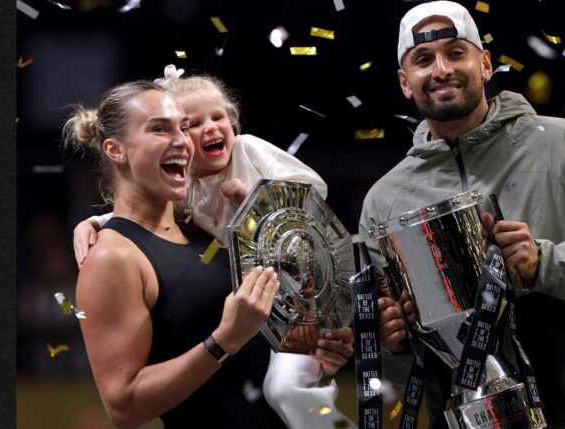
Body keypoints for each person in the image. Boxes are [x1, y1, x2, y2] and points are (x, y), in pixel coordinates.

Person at [358, 1, 565, 428]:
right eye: (423, 60)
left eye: (456, 53)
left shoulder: (563, 147)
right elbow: (404, 368)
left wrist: (545, 263)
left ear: (485, 64)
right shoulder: (385, 202)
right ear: (404, 82)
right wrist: (391, 340)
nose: (441, 70)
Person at [71, 70, 355, 428]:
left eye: (181, 127)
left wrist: (311, 344)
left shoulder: (203, 225)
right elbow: (124, 408)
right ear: (115, 149)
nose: (183, 141)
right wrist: (225, 339)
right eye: (161, 129)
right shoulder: (113, 256)